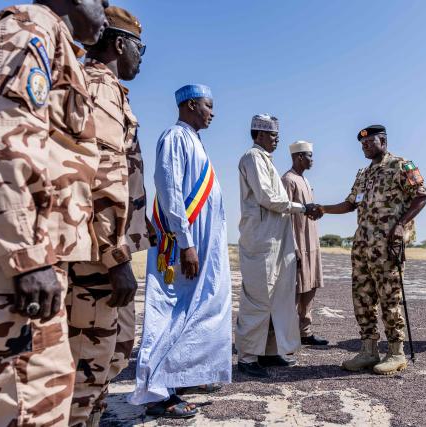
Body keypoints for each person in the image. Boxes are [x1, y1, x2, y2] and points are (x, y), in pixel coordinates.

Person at [0, 1, 108, 425]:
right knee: (27, 404)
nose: (106, 14)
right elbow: (2, 140)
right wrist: (27, 256)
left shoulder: (53, 38)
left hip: (34, 258)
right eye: (103, 2)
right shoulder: (26, 28)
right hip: (14, 268)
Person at [67, 7, 152, 426]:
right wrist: (116, 259)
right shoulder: (100, 87)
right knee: (87, 365)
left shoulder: (107, 89)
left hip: (99, 251)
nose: (143, 57)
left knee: (105, 359)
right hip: (97, 260)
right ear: (120, 44)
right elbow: (100, 180)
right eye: (141, 47)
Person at [130, 84, 232, 419]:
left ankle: (183, 376)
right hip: (181, 248)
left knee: (199, 310)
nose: (213, 112)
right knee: (171, 313)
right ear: (190, 105)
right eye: (208, 105)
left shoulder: (194, 140)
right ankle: (158, 392)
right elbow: (170, 191)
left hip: (201, 246)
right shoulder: (174, 137)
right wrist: (186, 243)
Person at [318, 125, 426, 375]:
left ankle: (396, 352)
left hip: (387, 245)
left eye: (370, 142)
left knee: (389, 298)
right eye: (362, 144)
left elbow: (421, 195)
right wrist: (323, 209)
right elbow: (350, 204)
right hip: (362, 245)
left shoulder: (402, 165)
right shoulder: (363, 173)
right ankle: (368, 351)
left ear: (384, 141)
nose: (365, 146)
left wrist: (401, 225)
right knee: (362, 298)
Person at [236, 114, 320, 378]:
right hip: (260, 241)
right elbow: (267, 197)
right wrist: (301, 208)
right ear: (259, 135)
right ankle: (248, 357)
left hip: (276, 241)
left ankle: (270, 352)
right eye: (273, 136)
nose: (276, 140)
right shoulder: (252, 158)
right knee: (259, 298)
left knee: (278, 298)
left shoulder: (266, 161)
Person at [281, 141, 328, 346]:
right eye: (309, 156)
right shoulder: (288, 180)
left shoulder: (305, 181)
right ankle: (287, 334)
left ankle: (305, 332)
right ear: (299, 157)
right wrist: (294, 247)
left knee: (311, 285)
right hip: (297, 243)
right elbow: (285, 215)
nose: (312, 160)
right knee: (295, 288)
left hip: (312, 242)